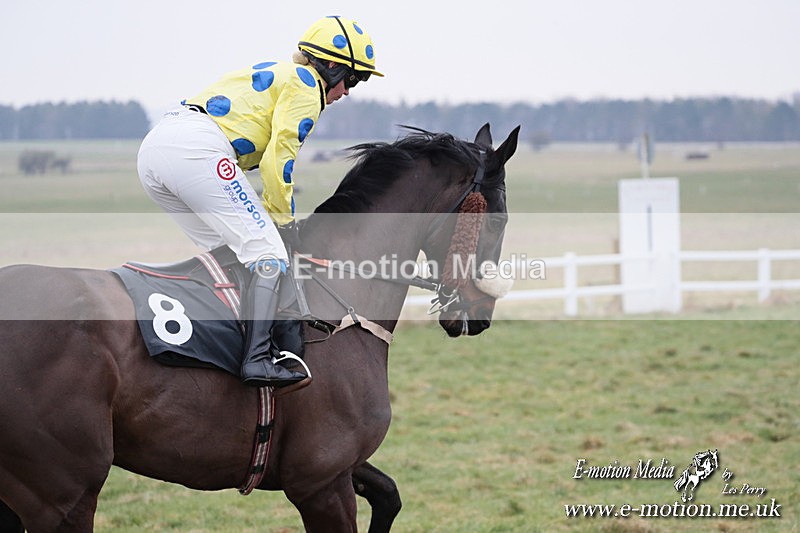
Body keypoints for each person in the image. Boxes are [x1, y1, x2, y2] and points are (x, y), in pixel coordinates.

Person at [137, 16, 383, 389]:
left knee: (232, 254)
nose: (348, 91)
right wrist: (284, 224)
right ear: (331, 67)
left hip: (156, 150)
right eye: (353, 79)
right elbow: (277, 162)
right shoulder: (306, 86)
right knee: (268, 252)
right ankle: (257, 360)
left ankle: (223, 340)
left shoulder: (282, 73)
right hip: (196, 149)